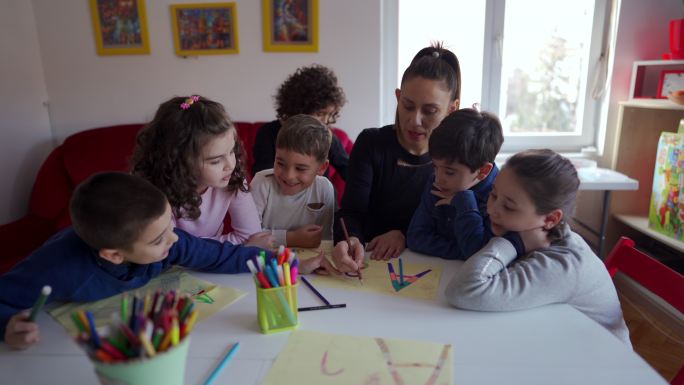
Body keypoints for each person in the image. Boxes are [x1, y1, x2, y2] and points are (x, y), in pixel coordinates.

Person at [0, 172, 333, 350]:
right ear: (115, 255)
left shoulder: (169, 239)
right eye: (159, 239)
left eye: (169, 227)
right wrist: (8, 329)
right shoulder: (57, 266)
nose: (174, 240)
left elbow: (221, 255)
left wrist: (283, 262)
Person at [445, 150, 631, 345]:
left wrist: (511, 243)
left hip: (601, 362)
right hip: (558, 339)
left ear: (551, 219)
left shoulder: (561, 265)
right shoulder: (539, 231)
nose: (492, 209)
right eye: (493, 195)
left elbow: (462, 290)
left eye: (508, 206)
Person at [332, 43, 461, 271]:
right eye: (408, 106)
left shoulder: (458, 159)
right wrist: (350, 239)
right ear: (398, 97)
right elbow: (351, 212)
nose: (415, 120)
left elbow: (453, 227)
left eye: (430, 111)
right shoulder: (371, 143)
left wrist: (404, 235)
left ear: (452, 109)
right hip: (370, 261)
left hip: (427, 267)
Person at [131, 95, 273, 249]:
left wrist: (199, 249)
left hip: (212, 267)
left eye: (232, 151)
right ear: (180, 161)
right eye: (215, 160)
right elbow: (169, 248)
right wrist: (232, 247)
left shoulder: (232, 177)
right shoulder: (155, 192)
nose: (230, 165)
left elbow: (250, 236)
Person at [406, 108, 524, 259]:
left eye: (450, 172)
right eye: (435, 167)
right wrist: (463, 251)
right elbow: (415, 237)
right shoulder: (438, 182)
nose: (438, 178)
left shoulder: (500, 198)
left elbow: (480, 255)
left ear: (482, 171)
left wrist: (465, 201)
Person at [252, 64, 348, 183]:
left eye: (330, 114)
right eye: (320, 113)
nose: (326, 121)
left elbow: (350, 171)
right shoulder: (268, 133)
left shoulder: (328, 136)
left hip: (319, 200)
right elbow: (262, 176)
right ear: (299, 108)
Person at [251, 115, 336, 249]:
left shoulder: (324, 188)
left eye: (300, 168)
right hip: (266, 261)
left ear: (322, 168)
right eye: (280, 163)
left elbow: (324, 240)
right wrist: (291, 239)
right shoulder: (262, 182)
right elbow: (249, 236)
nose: (289, 176)